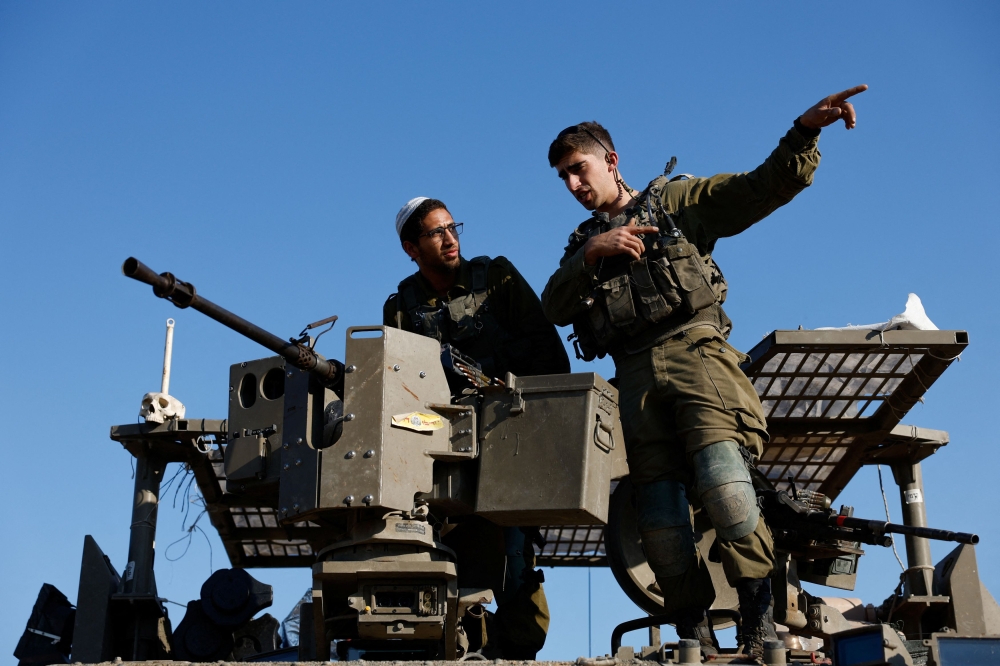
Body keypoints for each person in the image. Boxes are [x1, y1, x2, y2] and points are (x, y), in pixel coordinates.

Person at [540, 86, 867, 659]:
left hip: (698, 359)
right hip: (635, 382)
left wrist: (804, 132)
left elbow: (757, 189)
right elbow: (553, 306)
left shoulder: (675, 203)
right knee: (660, 520)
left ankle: (758, 617)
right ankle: (693, 629)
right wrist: (594, 254)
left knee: (726, 487)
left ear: (611, 161)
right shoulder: (582, 248)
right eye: (563, 178)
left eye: (578, 169)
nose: (573, 186)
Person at [383, 197, 570, 659]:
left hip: (510, 428)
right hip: (445, 443)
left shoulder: (495, 278)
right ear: (411, 247)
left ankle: (521, 649)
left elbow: (549, 353)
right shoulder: (402, 307)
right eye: (435, 232)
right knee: (453, 550)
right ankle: (467, 645)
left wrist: (496, 378)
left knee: (513, 551)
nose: (449, 239)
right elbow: (397, 386)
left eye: (452, 227)